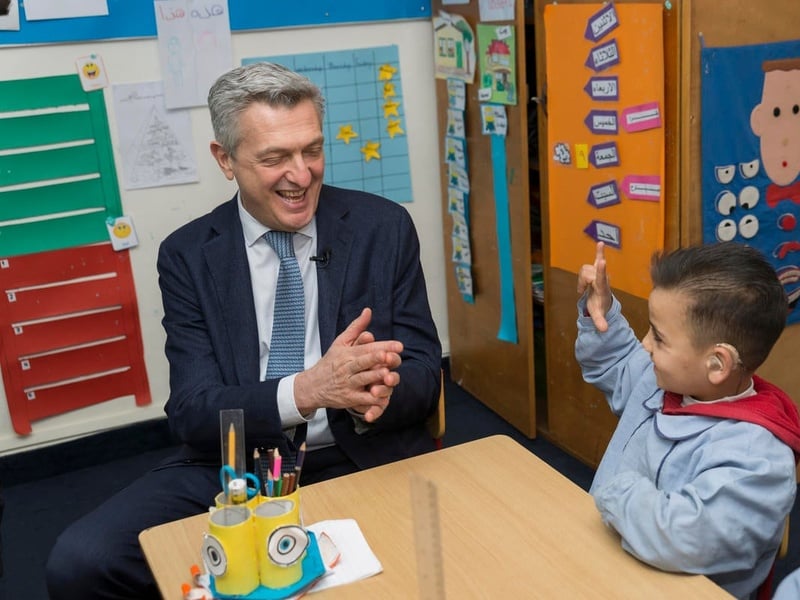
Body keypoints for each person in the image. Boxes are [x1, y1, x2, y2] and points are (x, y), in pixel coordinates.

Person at [45, 62, 442, 599]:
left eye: (312, 150)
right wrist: (305, 392)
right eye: (275, 158)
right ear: (225, 159)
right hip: (234, 463)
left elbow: (423, 374)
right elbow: (192, 409)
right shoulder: (187, 256)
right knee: (82, 561)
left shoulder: (384, 227)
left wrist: (373, 393)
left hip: (359, 455)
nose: (301, 176)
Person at [576, 241, 800, 599]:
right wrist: (601, 313)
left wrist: (614, 487)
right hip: (607, 564)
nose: (646, 346)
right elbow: (618, 365)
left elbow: (682, 536)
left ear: (717, 364)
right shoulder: (666, 377)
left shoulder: (759, 457)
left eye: (659, 337)